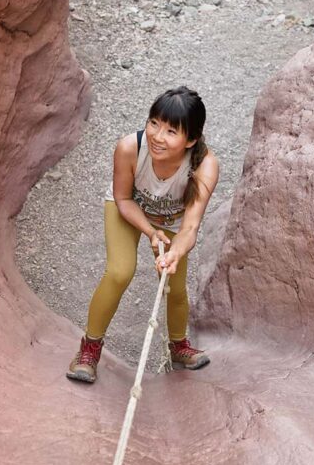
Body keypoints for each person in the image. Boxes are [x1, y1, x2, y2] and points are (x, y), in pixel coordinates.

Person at [67, 86, 219, 384]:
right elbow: (123, 199)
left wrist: (174, 252)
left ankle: (178, 347)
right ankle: (89, 349)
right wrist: (150, 232)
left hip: (173, 220)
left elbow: (190, 226)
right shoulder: (129, 148)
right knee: (119, 272)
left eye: (171, 131)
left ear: (191, 140)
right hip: (130, 207)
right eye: (154, 123)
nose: (157, 136)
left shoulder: (205, 166)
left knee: (175, 286)